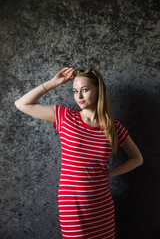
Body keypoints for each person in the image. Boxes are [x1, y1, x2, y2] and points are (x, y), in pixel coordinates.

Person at [14, 67, 143, 239]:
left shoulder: (114, 126)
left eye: (85, 90)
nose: (79, 96)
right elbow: (22, 104)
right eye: (75, 91)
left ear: (98, 90)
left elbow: (137, 158)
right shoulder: (65, 117)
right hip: (72, 204)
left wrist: (111, 172)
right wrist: (54, 83)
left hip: (101, 204)